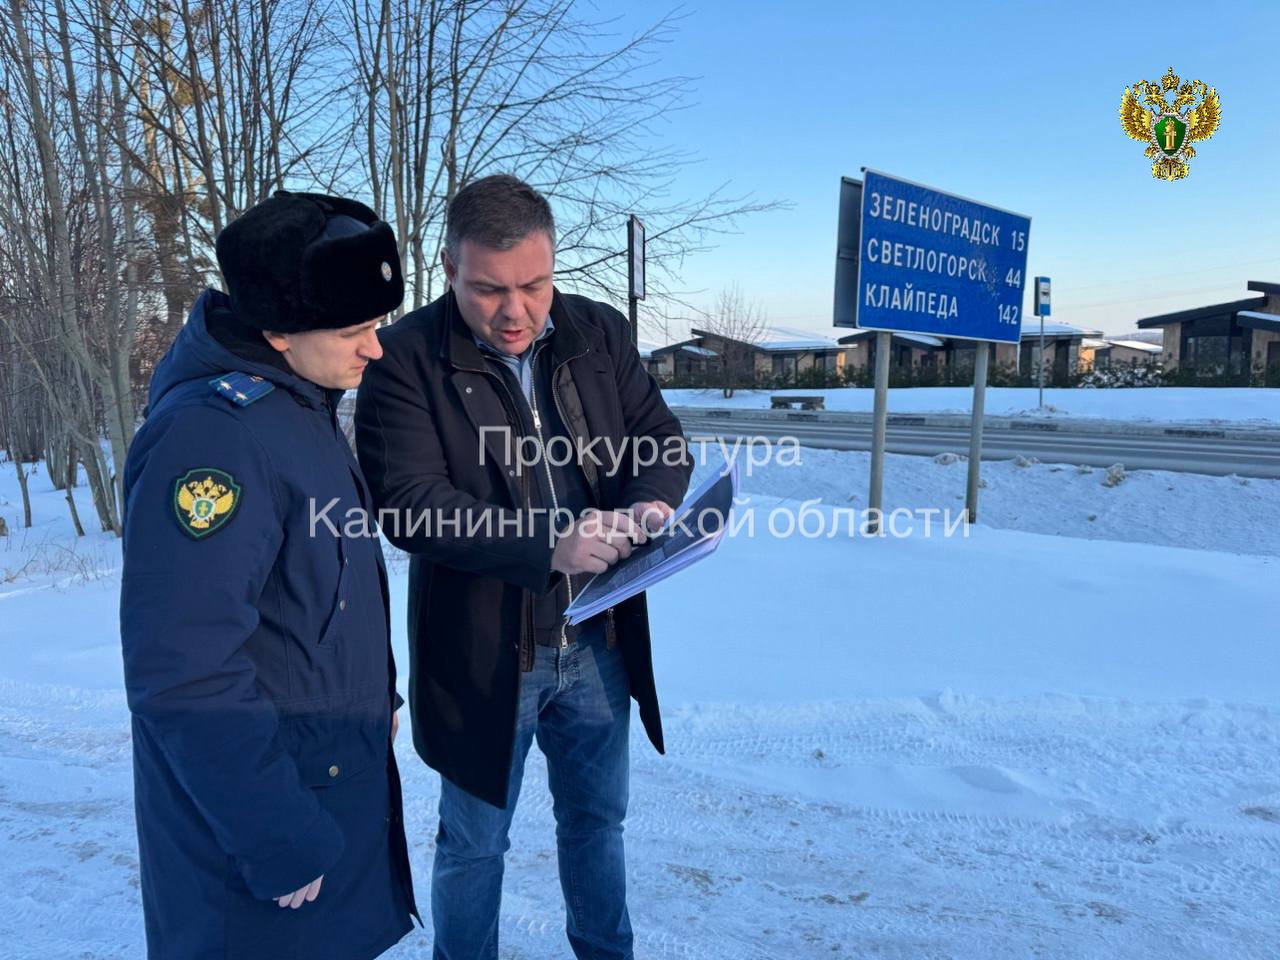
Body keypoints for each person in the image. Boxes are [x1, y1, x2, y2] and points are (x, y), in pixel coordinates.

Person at [355, 174, 692, 960]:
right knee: (475, 846)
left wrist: (649, 503)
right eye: (488, 289)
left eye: (534, 285)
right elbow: (410, 504)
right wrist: (548, 543)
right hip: (485, 655)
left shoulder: (596, 332)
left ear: (553, 265)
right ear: (449, 269)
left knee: (597, 824)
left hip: (600, 638)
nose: (517, 311)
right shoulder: (405, 358)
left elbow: (659, 439)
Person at [119, 190, 418, 959]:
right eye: (353, 330)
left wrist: (374, 695)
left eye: (378, 323)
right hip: (265, 828)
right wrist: (275, 834)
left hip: (323, 781)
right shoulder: (212, 438)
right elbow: (183, 671)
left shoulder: (299, 405)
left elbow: (316, 592)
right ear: (278, 329)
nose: (376, 349)